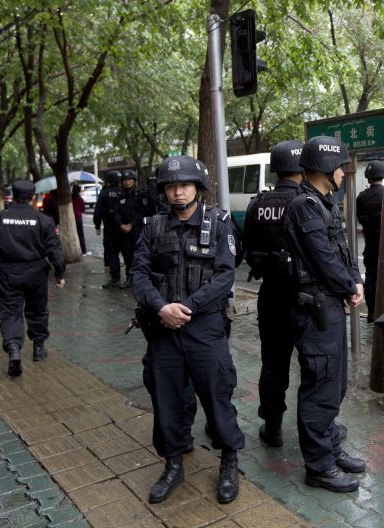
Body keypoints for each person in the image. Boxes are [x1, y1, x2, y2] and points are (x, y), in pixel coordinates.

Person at [130, 155, 244, 505]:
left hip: (204, 327)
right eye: (171, 186)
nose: (178, 193)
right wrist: (161, 307)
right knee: (166, 399)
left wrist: (188, 308)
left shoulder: (220, 223)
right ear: (163, 191)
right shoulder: (152, 226)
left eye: (184, 185)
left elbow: (226, 275)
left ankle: (228, 460)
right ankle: (173, 463)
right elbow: (138, 273)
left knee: (216, 395)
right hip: (163, 328)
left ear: (198, 188)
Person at [283, 136, 366, 493]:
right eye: (341, 169)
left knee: (335, 384)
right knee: (320, 387)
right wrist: (349, 286)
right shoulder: (304, 206)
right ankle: (318, 467)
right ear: (325, 169)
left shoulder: (323, 203)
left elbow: (342, 251)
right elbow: (322, 258)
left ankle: (330, 449)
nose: (344, 175)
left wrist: (356, 280)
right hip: (315, 309)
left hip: (330, 308)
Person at [243, 140, 304, 448]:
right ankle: (317, 427)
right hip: (305, 299)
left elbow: (247, 251)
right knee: (313, 364)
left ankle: (273, 426)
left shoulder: (258, 204)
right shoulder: (308, 202)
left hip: (271, 296)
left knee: (273, 363)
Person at [0, 180, 65, 377]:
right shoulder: (43, 220)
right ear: (33, 197)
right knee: (37, 310)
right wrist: (59, 273)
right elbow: (55, 250)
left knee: (10, 312)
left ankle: (14, 349)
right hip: (36, 272)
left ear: (14, 196)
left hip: (8, 271)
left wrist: (5, 253)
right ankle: (38, 349)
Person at [355, 160, 384, 323]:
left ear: (368, 178)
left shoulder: (362, 197)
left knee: (371, 279)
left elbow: (359, 217)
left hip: (370, 246)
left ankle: (372, 312)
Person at [94, 170, 124, 287]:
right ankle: (130, 278)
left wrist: (97, 225)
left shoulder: (104, 193)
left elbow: (98, 211)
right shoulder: (124, 191)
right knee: (127, 253)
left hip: (110, 227)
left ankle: (115, 278)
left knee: (112, 253)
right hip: (124, 228)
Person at [115, 169, 145, 288]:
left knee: (138, 255)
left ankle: (139, 279)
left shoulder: (140, 194)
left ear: (134, 181)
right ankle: (129, 278)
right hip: (123, 231)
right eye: (125, 180)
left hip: (136, 230)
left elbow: (142, 212)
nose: (127, 182)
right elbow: (116, 212)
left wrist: (131, 224)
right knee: (127, 255)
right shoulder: (119, 194)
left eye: (129, 179)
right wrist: (121, 224)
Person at [71, 185, 89, 256]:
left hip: (71, 219)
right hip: (78, 218)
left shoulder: (69, 198)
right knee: (81, 235)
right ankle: (83, 251)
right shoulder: (80, 199)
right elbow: (83, 209)